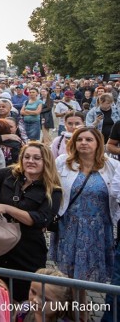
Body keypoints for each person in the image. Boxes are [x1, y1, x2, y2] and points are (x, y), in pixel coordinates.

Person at [0, 142, 63, 303]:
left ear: (46, 162)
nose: (31, 161)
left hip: (27, 251)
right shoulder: (11, 174)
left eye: (37, 158)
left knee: (23, 297)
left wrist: (6, 208)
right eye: (27, 157)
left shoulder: (52, 190)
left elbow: (40, 219)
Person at [51, 127, 120, 313]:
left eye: (89, 139)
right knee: (73, 274)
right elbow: (52, 187)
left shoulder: (111, 165)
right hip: (70, 226)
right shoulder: (63, 162)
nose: (83, 142)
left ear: (98, 143)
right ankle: (78, 310)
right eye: (79, 139)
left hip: (98, 228)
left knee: (88, 273)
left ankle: (79, 309)